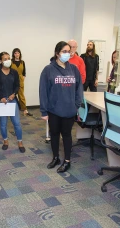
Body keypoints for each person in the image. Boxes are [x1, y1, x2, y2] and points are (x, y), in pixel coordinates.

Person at [39, 41, 83, 173]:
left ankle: (67, 161)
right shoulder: (48, 70)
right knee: (54, 135)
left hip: (69, 110)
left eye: (69, 51)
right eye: (64, 51)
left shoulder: (74, 69)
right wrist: (43, 111)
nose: (67, 54)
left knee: (67, 135)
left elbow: (79, 89)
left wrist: (76, 105)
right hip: (54, 110)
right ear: (57, 53)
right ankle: (56, 157)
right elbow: (43, 91)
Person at [0, 51, 25, 153]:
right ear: (0, 61)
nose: (7, 61)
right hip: (2, 101)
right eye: (5, 59)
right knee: (3, 124)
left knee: (17, 123)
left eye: (8, 58)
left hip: (12, 100)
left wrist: (14, 94)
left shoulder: (14, 72)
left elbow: (17, 85)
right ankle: (5, 141)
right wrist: (1, 97)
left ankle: (20, 142)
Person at [11, 48, 32, 116]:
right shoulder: (11, 62)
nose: (17, 54)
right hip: (12, 79)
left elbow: (24, 72)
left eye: (18, 53)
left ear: (20, 54)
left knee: (21, 95)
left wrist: (23, 78)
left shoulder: (22, 62)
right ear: (13, 54)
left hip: (20, 79)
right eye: (15, 53)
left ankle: (25, 109)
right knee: (11, 94)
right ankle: (10, 109)